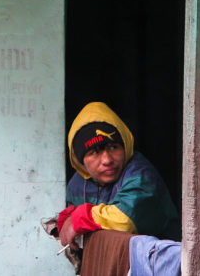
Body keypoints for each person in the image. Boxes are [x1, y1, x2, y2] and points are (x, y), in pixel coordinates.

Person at [57, 102, 181, 250]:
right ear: (80, 161)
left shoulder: (140, 175)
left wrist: (82, 217)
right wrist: (69, 217)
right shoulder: (77, 184)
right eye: (94, 152)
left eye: (113, 147)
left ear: (125, 146)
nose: (107, 160)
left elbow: (125, 220)